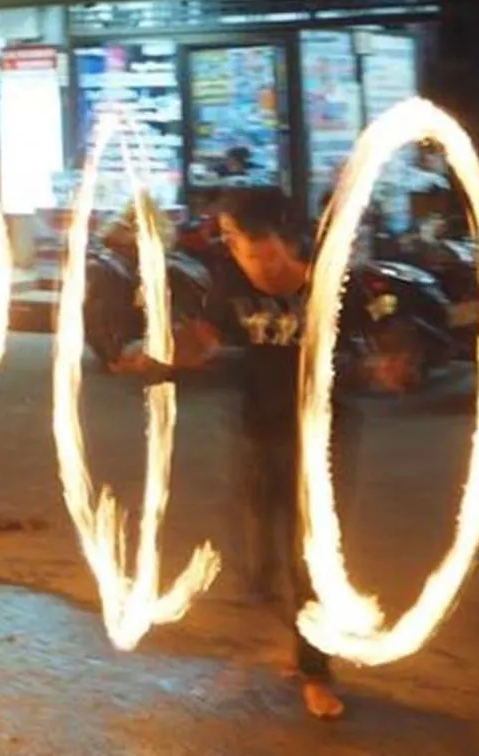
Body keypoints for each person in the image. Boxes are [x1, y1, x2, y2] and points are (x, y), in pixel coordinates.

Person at [111, 185, 384, 722]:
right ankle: (295, 638)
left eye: (242, 241)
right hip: (259, 432)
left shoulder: (334, 283)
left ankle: (315, 671)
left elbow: (377, 346)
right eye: (231, 241)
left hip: (320, 441)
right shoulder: (231, 283)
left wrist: (384, 366)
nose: (237, 253)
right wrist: (158, 358)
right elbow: (204, 340)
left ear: (279, 239)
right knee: (264, 557)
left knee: (309, 559)